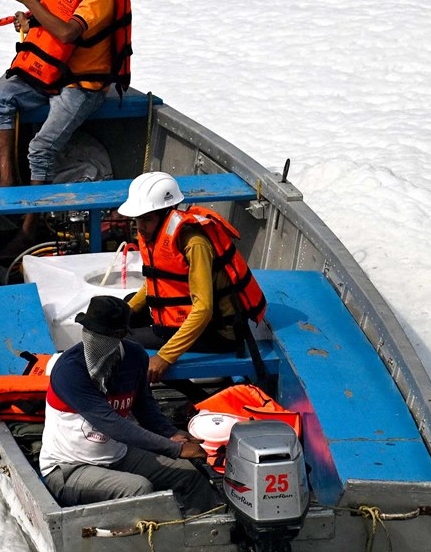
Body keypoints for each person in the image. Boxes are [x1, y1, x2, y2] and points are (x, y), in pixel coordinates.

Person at [0, 0, 147, 188]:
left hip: (81, 86)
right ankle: (6, 180)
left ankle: (29, 225)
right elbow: (55, 13)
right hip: (51, 73)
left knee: (40, 148)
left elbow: (68, 33)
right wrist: (29, 19)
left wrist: (29, 0)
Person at [39, 294, 215, 508]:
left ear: (121, 335)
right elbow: (111, 423)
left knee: (190, 475)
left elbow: (144, 405)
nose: (93, 339)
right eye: (89, 331)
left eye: (103, 335)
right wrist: (174, 449)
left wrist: (170, 433)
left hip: (119, 454)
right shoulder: (70, 370)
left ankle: (210, 533)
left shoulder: (135, 357)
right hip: (70, 467)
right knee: (138, 488)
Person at [120, 171, 268, 381]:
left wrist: (165, 357)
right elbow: (157, 282)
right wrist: (126, 311)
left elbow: (203, 310)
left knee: (123, 338)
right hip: (187, 317)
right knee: (126, 311)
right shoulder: (156, 234)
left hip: (218, 332)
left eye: (146, 219)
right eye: (137, 220)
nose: (140, 227)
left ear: (166, 213)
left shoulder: (194, 244)